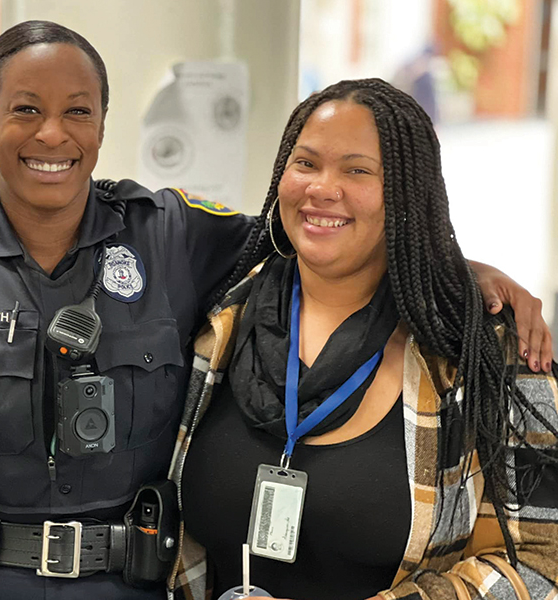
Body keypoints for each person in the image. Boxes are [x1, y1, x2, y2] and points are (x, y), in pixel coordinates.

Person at [0, 21, 548, 600]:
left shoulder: (171, 235)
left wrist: (459, 266)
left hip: (140, 584)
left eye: (77, 111)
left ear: (102, 122)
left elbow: (313, 237)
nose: (52, 135)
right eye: (27, 111)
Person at [171, 79, 558, 600]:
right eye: (306, 163)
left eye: (358, 171)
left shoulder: (483, 349)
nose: (323, 188)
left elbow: (544, 561)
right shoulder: (218, 315)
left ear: (407, 195)